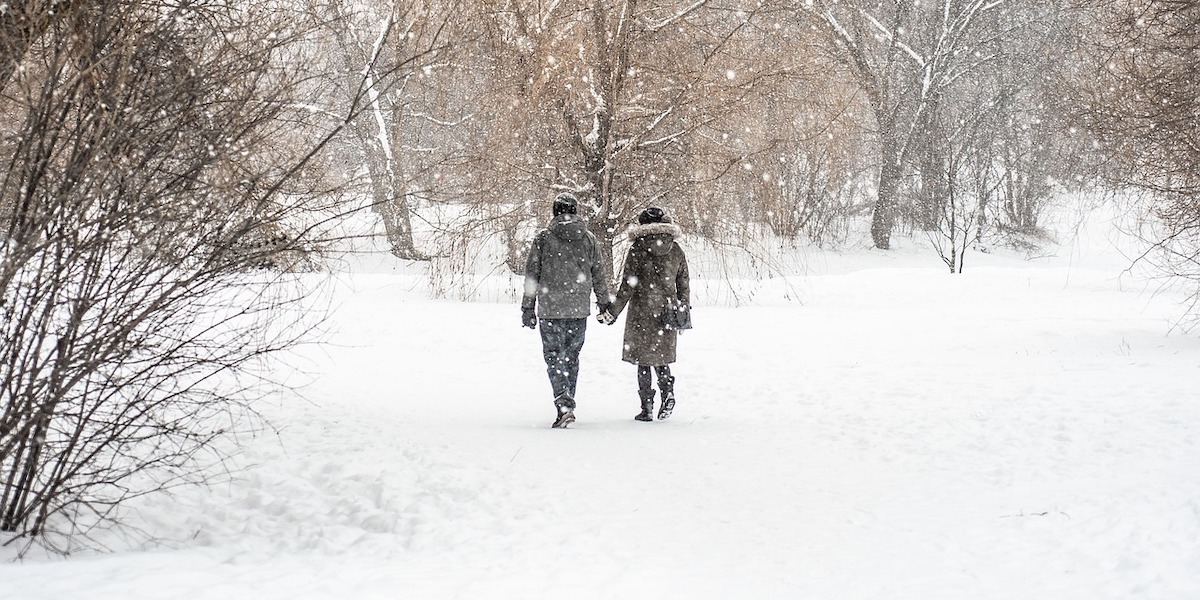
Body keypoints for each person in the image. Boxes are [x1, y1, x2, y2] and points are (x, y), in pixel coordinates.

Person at [521, 192, 613, 428]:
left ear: (555, 211)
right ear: (576, 211)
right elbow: (599, 273)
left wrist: (527, 307)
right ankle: (567, 401)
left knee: (554, 357)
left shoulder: (543, 239)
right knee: (571, 357)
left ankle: (564, 403)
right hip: (578, 309)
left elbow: (532, 274)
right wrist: (603, 301)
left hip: (550, 309)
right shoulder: (588, 239)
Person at [598, 207, 691, 421]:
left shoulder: (638, 249)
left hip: (642, 310)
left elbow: (627, 286)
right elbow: (683, 283)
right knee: (661, 357)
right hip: (667, 310)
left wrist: (612, 312)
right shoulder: (675, 250)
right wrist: (682, 308)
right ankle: (668, 393)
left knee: (642, 360)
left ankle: (646, 407)